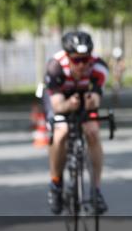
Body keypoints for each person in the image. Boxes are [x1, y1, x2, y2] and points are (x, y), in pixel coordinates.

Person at [44, 31, 110, 215]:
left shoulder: (99, 67)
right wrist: (68, 105)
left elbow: (97, 98)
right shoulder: (55, 67)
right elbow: (57, 105)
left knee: (93, 132)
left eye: (85, 59)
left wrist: (91, 102)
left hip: (83, 97)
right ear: (67, 57)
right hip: (60, 99)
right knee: (61, 132)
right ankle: (56, 183)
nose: (81, 64)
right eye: (76, 60)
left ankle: (96, 190)